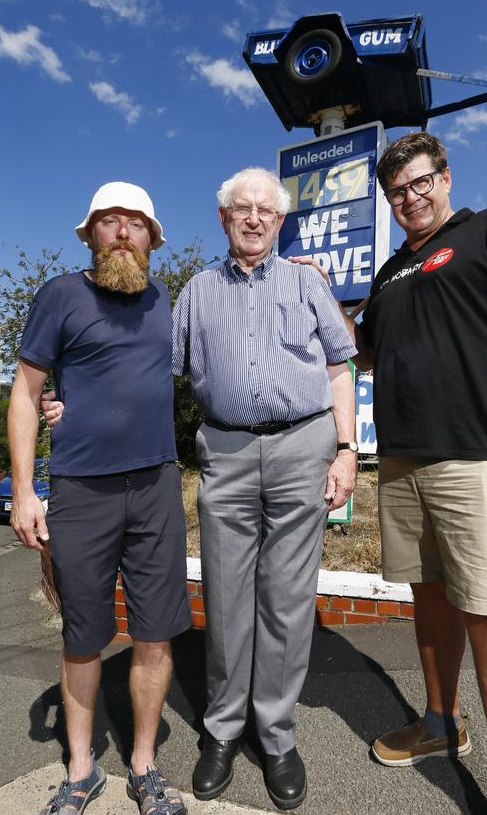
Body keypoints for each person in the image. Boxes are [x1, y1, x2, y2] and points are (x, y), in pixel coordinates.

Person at [307, 131, 487, 815]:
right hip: (402, 463)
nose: (410, 197)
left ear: (446, 177)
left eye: (421, 181)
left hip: (475, 457)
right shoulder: (390, 271)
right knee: (429, 598)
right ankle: (438, 724)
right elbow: (362, 355)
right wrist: (320, 296)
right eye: (397, 190)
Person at [172, 167, 358, 810]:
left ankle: (276, 735)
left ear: (280, 222)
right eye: (241, 209)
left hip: (302, 446)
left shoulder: (308, 282)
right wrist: (72, 400)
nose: (253, 219)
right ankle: (222, 731)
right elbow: (158, 371)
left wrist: (346, 449)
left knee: (286, 598)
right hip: (223, 447)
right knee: (224, 596)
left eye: (266, 211)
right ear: (224, 219)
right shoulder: (194, 291)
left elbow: (341, 365)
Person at [8, 182, 191, 815]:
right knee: (83, 636)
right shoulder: (61, 294)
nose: (121, 232)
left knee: (155, 634)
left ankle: (144, 764)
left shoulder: (170, 300)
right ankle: (80, 769)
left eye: (135, 223)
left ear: (152, 239)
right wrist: (25, 490)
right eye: (109, 222)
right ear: (89, 234)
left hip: (157, 486)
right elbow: (27, 394)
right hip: (80, 490)